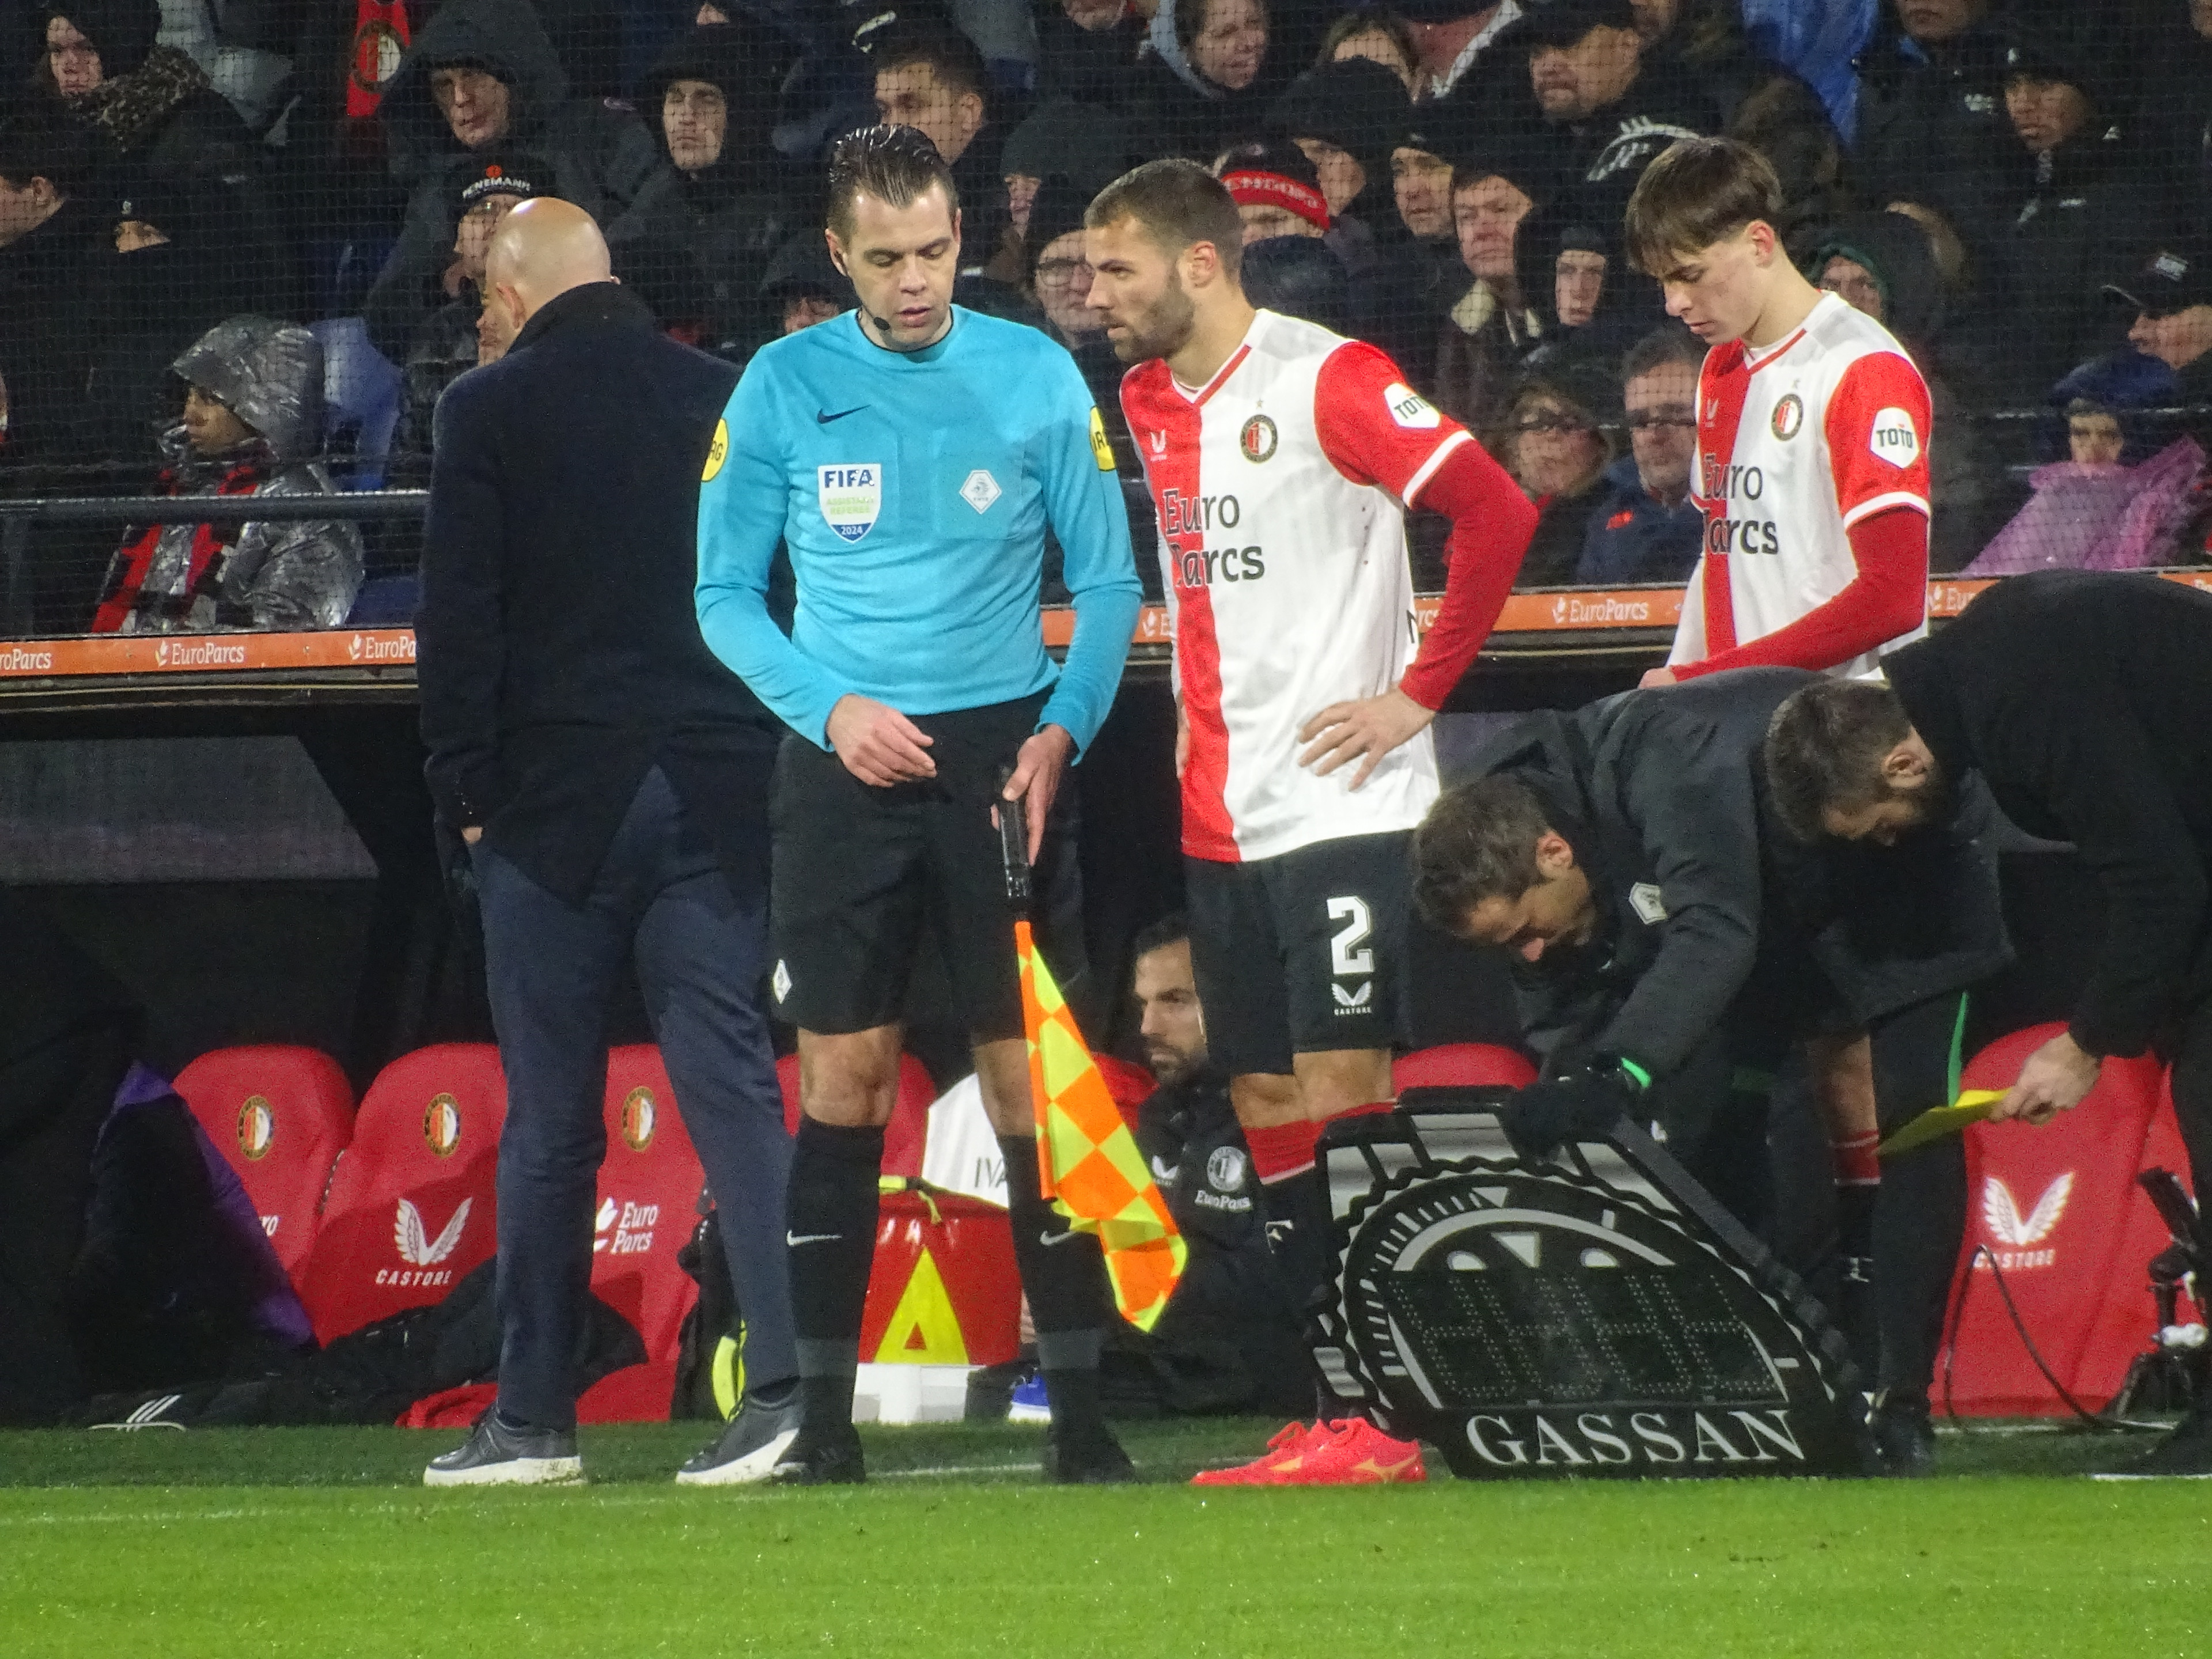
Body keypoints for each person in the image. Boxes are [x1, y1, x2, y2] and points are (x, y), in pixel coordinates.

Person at [694, 126, 1143, 1486]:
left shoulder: (1034, 370)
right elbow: (723, 597)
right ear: (839, 255)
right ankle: (822, 1428)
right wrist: (832, 710)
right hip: (843, 768)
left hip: (1004, 762)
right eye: (885, 259)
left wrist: (1062, 731)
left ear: (962, 241)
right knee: (843, 1087)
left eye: (935, 253)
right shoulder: (781, 386)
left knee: (1032, 1091)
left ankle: (1082, 1426)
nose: (913, 281)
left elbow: (1109, 584)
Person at [1084, 157, 1538, 1484]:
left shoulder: (1329, 378)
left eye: (1116, 269)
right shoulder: (1146, 398)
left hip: (1344, 804)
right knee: (1264, 1093)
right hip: (1221, 811)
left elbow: (1495, 507)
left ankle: (1392, 1411)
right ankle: (1337, 1401)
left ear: (1201, 263)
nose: (1094, 294)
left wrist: (1418, 695)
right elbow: (1202, 577)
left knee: (1344, 1093)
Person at [414, 199, 801, 1487]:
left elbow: (460, 614)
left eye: (483, 298)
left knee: (551, 1122)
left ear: (510, 296)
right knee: (735, 1090)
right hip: (714, 789)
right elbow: (779, 591)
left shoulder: (486, 409)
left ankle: (533, 1422)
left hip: (550, 805)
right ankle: (789, 1397)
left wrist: (463, 787)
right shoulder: (726, 392)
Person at [1414, 666, 2009, 1474]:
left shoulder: (1665, 759)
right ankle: (1766, 1394)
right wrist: (1571, 1093)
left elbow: (1716, 931)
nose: (1529, 953)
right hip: (1771, 906)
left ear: (1555, 853)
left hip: (1896, 863)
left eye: (1524, 931)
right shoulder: (1504, 836)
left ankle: (1902, 1407)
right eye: (1504, 947)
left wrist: (1616, 1073)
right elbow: (1567, 1017)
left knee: (1913, 1124)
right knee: (1721, 1125)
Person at [1762, 571, 2212, 1476]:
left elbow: (2160, 882)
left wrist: (2086, 1045)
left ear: (1900, 764)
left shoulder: (2018, 699)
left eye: (1880, 826)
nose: (1893, 841)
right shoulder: (1990, 658)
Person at [1624, 138, 1930, 688]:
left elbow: (1892, 598)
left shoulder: (1861, 369)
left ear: (1759, 243)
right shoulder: (1721, 368)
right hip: (1744, 709)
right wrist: (1682, 682)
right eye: (1663, 282)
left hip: (1848, 719)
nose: (1674, 302)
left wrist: (1711, 678)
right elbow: (1722, 556)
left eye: (1690, 275)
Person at [361, 0, 668, 366]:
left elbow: (664, 217)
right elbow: (385, 315)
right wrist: (453, 280)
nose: (460, 99)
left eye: (474, 76)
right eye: (444, 85)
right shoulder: (440, 180)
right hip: (473, 373)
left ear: (515, 74)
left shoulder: (596, 133)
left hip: (596, 351)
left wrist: (560, 266)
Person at [1115, 913, 1310, 1418]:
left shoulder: (1283, 1110)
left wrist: (1118, 1288)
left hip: (1257, 1364)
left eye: (1174, 1001)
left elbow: (1277, 1280)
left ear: (1231, 1001)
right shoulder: (1160, 1114)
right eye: (1143, 1005)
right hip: (1165, 1350)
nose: (1148, 1027)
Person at [90, 318, 361, 634]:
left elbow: (285, 640)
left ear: (264, 408)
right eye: (190, 396)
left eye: (209, 399)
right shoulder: (176, 487)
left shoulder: (313, 511)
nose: (190, 414)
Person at [1807, 209, 2008, 573]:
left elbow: (1953, 518)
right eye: (1832, 286)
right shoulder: (1794, 379)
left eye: (1866, 285)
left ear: (1903, 292)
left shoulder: (1940, 390)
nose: (1846, 302)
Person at [635, 20, 804, 355]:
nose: (686, 116)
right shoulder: (653, 199)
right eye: (675, 99)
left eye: (707, 100)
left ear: (743, 113)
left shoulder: (797, 201)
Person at [33, 0, 255, 180]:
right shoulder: (46, 121)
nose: (69, 66)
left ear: (122, 49)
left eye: (87, 48)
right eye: (57, 51)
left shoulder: (197, 124)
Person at [871, 25, 1013, 279]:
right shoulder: (878, 195)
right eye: (885, 111)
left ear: (968, 112)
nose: (893, 126)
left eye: (911, 106)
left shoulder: (1008, 200)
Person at [1576, 324, 1702, 583]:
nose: (1655, 435)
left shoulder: (1746, 506)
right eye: (1641, 421)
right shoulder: (1605, 518)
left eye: (1675, 416)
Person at [1499, 355, 1619, 588]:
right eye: (1541, 423)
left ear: (1600, 448)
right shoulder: (1478, 509)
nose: (1553, 435)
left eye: (1570, 424)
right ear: (1513, 445)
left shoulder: (1609, 515)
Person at [1124, 0, 1275, 164]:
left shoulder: (1277, 81)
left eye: (1254, 23)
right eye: (1225, 33)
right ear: (1186, 48)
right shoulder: (1149, 118)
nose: (1249, 43)